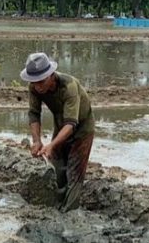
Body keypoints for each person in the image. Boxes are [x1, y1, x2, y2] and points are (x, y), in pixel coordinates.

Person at [20, 52, 95, 212]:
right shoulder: (34, 87)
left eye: (41, 81)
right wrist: (37, 141)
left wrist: (52, 144)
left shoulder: (69, 86)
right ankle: (57, 205)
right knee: (58, 167)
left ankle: (70, 212)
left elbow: (71, 123)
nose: (38, 86)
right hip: (61, 124)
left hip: (81, 127)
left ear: (51, 75)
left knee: (74, 173)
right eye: (34, 82)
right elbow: (34, 113)